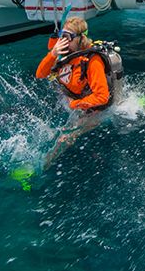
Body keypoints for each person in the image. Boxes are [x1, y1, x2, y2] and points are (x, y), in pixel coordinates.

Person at [36, 16, 123, 162]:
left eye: (68, 37)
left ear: (80, 38)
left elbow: (102, 97)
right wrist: (53, 54)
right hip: (76, 99)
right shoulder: (66, 53)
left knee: (64, 138)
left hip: (94, 112)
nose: (63, 41)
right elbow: (40, 74)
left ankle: (41, 168)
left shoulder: (92, 61)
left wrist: (74, 104)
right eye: (62, 36)